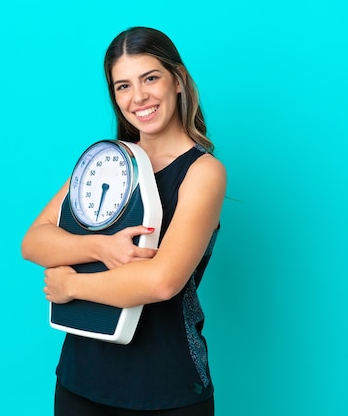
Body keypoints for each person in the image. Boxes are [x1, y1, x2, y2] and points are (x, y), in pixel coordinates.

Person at [21, 26, 226, 416]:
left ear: (178, 80)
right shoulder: (106, 162)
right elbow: (34, 241)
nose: (139, 97)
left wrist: (72, 285)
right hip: (80, 381)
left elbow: (161, 281)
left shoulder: (204, 173)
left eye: (150, 78)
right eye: (123, 86)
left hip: (166, 390)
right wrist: (99, 246)